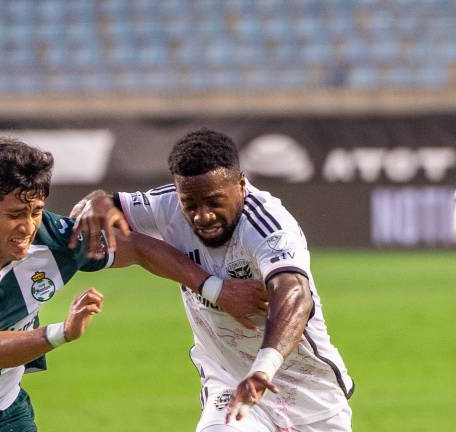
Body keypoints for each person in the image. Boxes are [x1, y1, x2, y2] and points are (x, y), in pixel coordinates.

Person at [0, 137, 233, 431]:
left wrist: (215, 289)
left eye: (34, 211)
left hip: (3, 416)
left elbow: (137, 247)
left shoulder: (56, 238)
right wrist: (62, 332)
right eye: (15, 214)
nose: (28, 227)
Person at [74, 128, 354, 431]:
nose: (202, 216)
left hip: (308, 393)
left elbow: (295, 294)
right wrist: (96, 202)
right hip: (229, 382)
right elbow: (104, 214)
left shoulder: (268, 224)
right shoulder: (166, 205)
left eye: (214, 201)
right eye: (190, 204)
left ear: (241, 184)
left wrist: (262, 371)